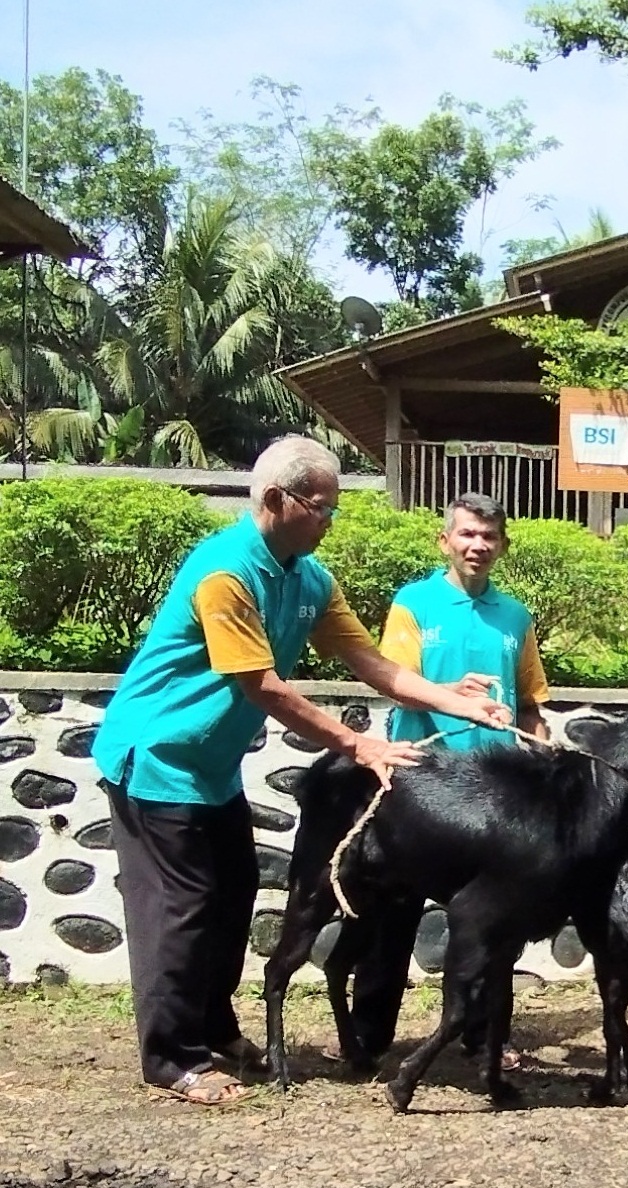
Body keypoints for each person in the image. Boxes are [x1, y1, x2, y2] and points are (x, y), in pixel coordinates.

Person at [92, 438, 510, 1107]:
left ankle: (215, 1029)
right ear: (277, 500)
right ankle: (172, 1057)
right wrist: (358, 745)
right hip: (156, 760)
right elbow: (263, 685)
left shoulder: (308, 577)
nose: (329, 522)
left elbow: (372, 664)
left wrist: (453, 700)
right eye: (322, 508)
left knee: (230, 902)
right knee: (182, 908)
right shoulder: (225, 572)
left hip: (211, 769)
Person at [341, 492, 552, 1070]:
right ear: (446, 541)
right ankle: (368, 1040)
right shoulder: (413, 605)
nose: (477, 546)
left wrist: (537, 752)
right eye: (466, 535)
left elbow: (531, 702)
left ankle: (484, 1038)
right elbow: (394, 681)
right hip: (423, 788)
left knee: (492, 925)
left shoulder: (516, 617)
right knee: (392, 914)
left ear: (502, 546)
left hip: (495, 798)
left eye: (487, 537)